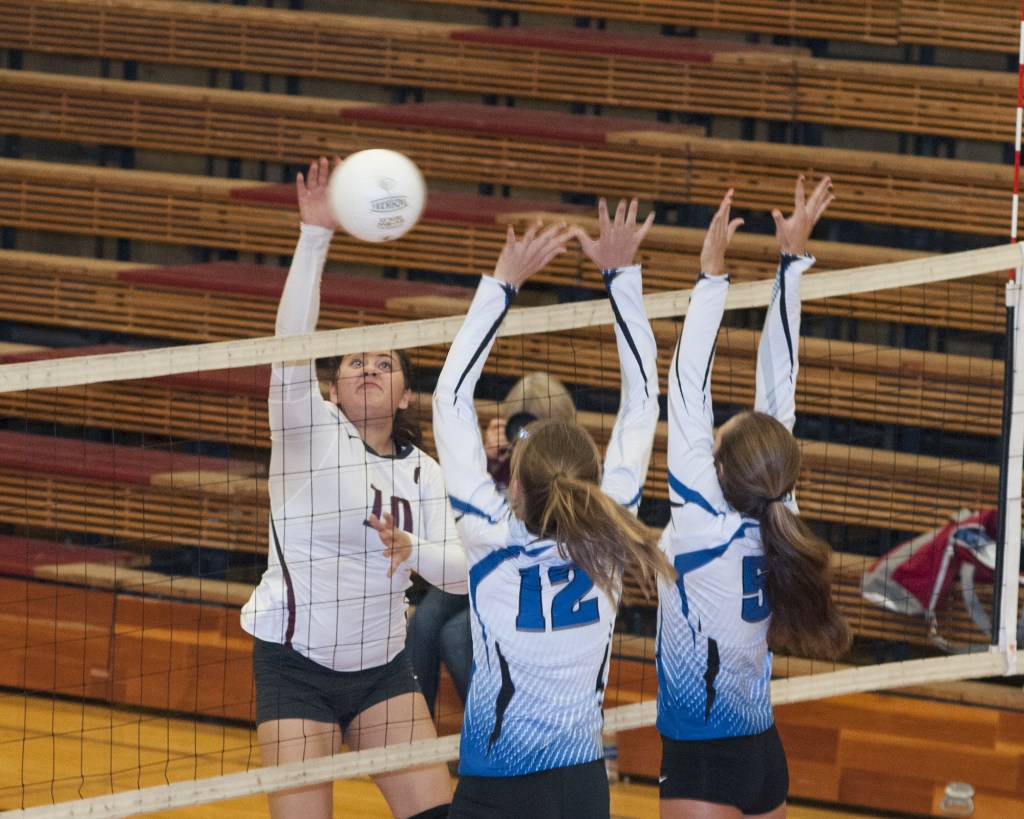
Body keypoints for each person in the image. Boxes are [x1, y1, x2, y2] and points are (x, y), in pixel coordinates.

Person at [432, 200, 676, 819]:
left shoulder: (490, 541)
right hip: (580, 788)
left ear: (512, 483)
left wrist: (502, 285)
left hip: (498, 786)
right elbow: (644, 402)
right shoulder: (612, 533)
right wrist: (622, 276)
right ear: (593, 481)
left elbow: (450, 400)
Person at [239, 157, 466, 819]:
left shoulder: (426, 472)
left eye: (385, 362)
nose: (369, 367)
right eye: (355, 361)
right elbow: (291, 346)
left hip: (383, 671)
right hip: (296, 666)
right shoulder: (309, 432)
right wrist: (315, 236)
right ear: (333, 388)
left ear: (403, 392)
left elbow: (463, 575)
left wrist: (412, 548)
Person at [656, 177, 851, 819]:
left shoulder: (699, 526)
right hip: (764, 753)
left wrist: (712, 277)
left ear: (715, 465)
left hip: (702, 761)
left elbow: (689, 390)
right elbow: (779, 389)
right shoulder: (778, 513)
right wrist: (790, 265)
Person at [406, 371, 576, 715]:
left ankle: (496, 730)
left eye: (537, 428)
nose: (527, 436)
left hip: (529, 582)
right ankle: (414, 739)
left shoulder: (573, 463)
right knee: (423, 623)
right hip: (484, 569)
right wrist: (485, 460)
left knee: (456, 636)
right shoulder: (501, 462)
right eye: (521, 425)